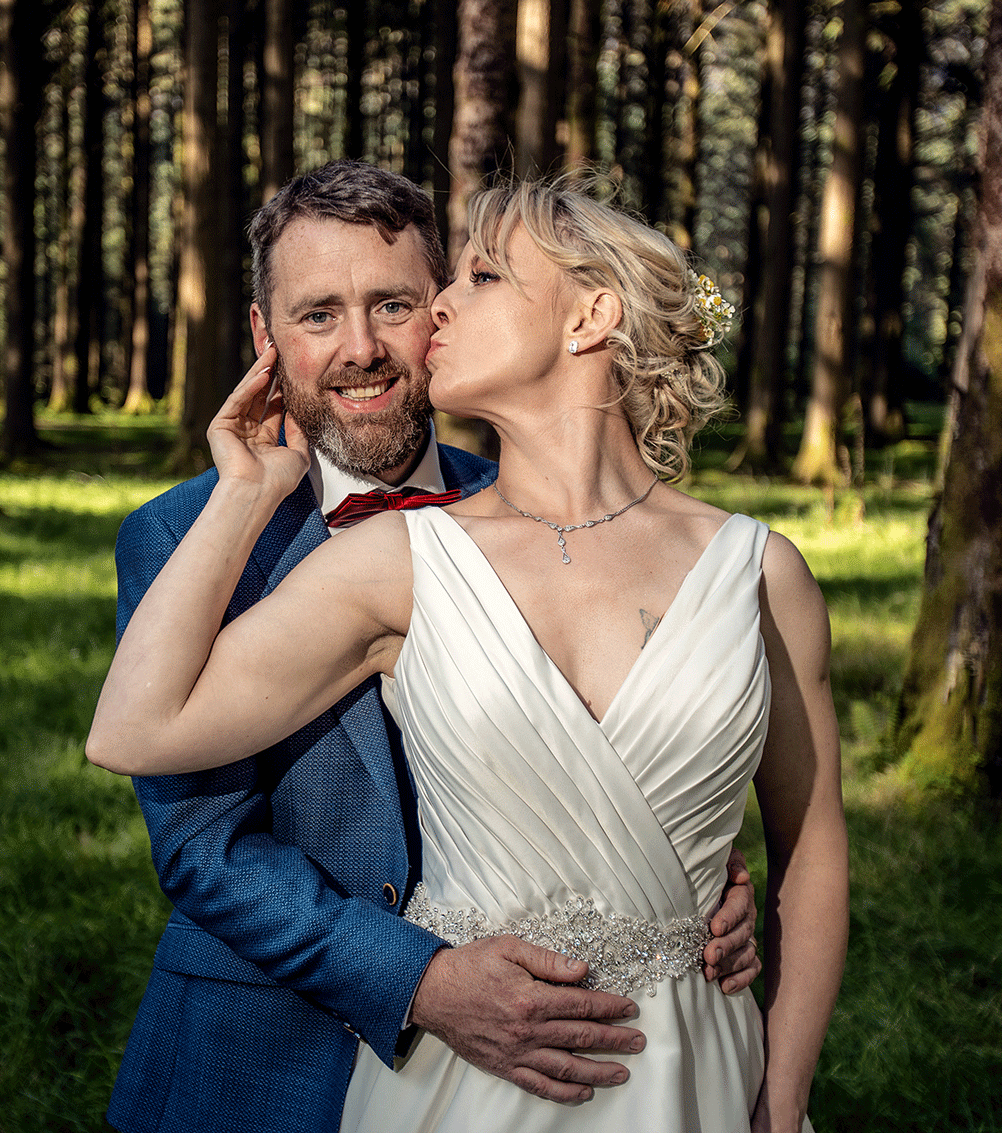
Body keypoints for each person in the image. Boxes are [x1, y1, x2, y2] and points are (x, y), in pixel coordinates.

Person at [91, 175, 848, 1131]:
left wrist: (689, 866)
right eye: (319, 313)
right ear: (264, 336)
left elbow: (756, 811)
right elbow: (196, 834)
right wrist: (425, 980)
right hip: (275, 1056)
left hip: (680, 1058)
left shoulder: (733, 561)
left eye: (403, 302)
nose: (365, 346)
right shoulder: (212, 542)